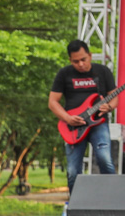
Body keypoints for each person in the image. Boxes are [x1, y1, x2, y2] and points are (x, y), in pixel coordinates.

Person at [48, 40, 118, 195]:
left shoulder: (103, 71)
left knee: (105, 159)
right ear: (70, 60)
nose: (80, 64)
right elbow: (52, 102)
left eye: (83, 59)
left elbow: (114, 97)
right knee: (73, 171)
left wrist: (109, 106)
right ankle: (75, 203)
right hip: (74, 127)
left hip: (98, 124)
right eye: (75, 61)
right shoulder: (64, 74)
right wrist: (67, 118)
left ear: (90, 56)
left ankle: (113, 198)